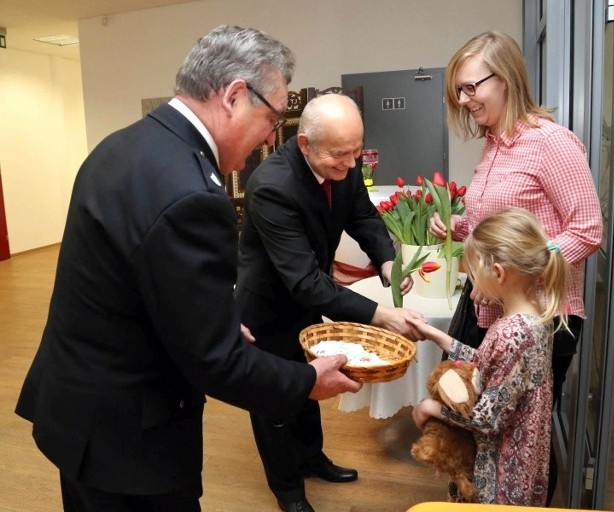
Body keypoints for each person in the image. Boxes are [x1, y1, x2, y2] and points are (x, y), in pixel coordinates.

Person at [14, 25, 363, 512]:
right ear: (235, 95)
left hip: (74, 411)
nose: (270, 134)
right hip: (130, 441)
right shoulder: (193, 193)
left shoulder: (119, 146)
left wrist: (206, 319)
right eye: (272, 116)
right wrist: (307, 382)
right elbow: (215, 363)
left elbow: (127, 286)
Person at [430, 30, 603, 504]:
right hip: (489, 301)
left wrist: (519, 274)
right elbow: (504, 224)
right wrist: (461, 227)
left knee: (522, 442)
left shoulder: (551, 143)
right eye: (458, 91)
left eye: (471, 88)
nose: (464, 101)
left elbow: (587, 230)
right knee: (476, 426)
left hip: (539, 316)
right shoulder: (493, 145)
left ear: (505, 78)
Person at [234, 93, 425, 512]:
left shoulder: (343, 163)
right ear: (305, 144)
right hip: (267, 308)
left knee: (312, 384)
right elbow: (303, 281)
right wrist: (382, 316)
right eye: (341, 154)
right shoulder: (271, 186)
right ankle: (288, 491)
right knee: (276, 400)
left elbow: (364, 217)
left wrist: (387, 261)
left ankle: (311, 458)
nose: (351, 164)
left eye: (357, 151)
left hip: (307, 296)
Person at [410, 207, 571, 505]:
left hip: (499, 480)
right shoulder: (531, 317)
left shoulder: (513, 334)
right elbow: (490, 364)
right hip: (521, 466)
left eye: (473, 273)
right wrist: (435, 335)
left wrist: (432, 408)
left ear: (497, 273)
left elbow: (488, 419)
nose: (473, 282)